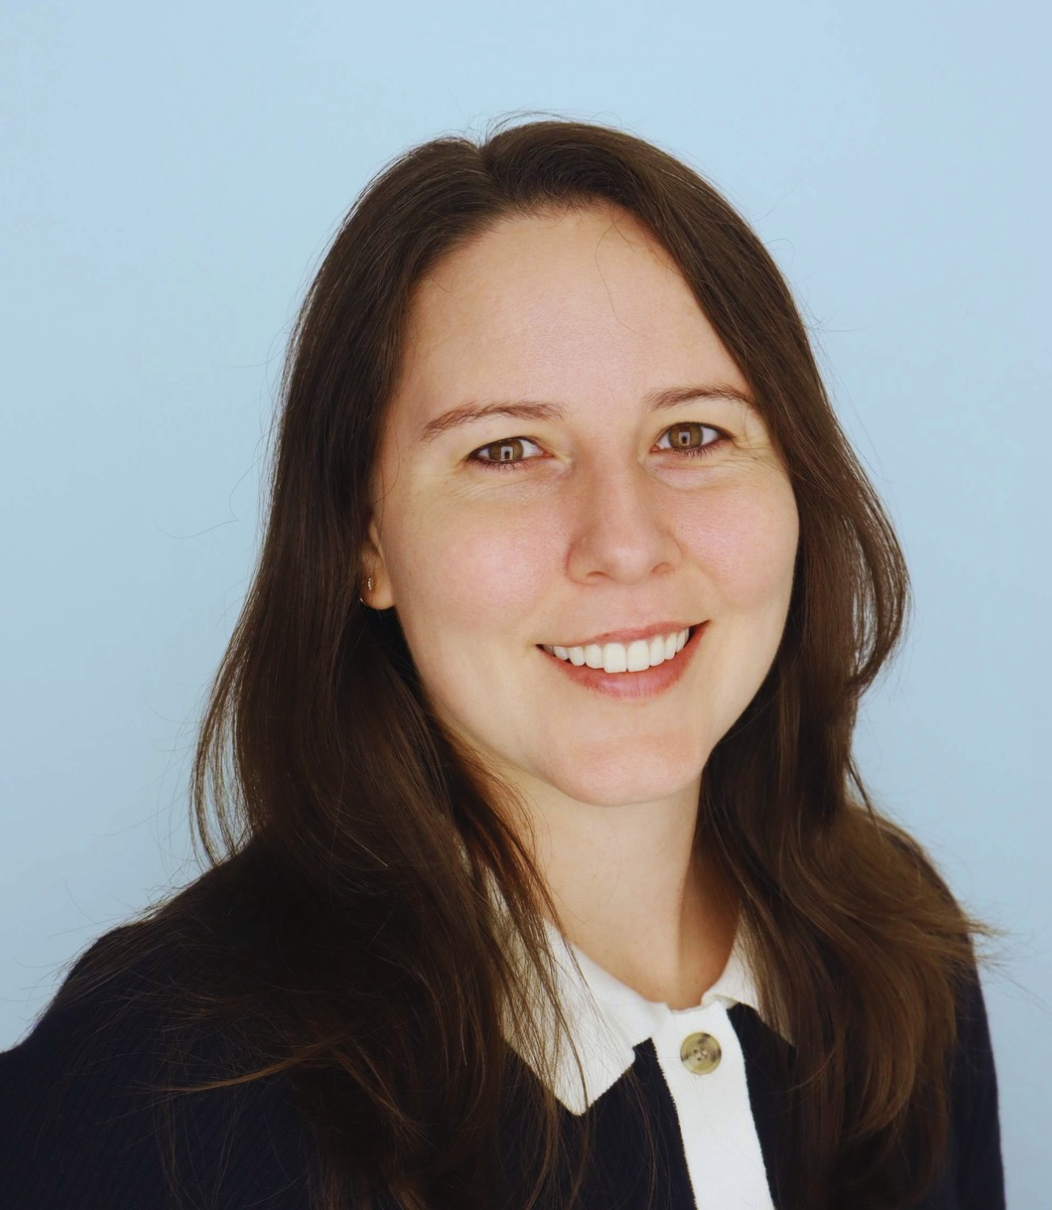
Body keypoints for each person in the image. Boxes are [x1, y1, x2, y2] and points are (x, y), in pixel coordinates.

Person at [0, 118, 1003, 1210]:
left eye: (692, 434)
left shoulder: (896, 951)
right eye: (506, 450)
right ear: (364, 541)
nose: (624, 542)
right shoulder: (151, 1092)